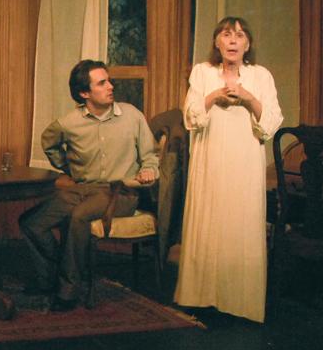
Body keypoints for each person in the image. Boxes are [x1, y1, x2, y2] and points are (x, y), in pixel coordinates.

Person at [19, 60, 159, 312]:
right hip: (83, 188)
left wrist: (149, 169)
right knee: (31, 222)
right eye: (102, 83)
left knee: (79, 217)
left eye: (109, 80)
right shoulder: (68, 123)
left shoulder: (131, 115)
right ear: (84, 93)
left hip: (121, 191)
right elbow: (49, 142)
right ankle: (50, 277)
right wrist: (70, 168)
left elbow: (151, 155)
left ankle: (69, 290)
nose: (110, 86)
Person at [174, 17, 283, 323]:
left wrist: (247, 98)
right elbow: (191, 116)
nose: (233, 40)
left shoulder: (260, 75)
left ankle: (239, 302)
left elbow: (271, 122)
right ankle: (200, 297)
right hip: (209, 160)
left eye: (239, 35)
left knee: (240, 221)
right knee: (208, 219)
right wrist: (214, 97)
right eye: (226, 34)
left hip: (244, 161)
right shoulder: (203, 72)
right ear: (217, 42)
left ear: (248, 44)